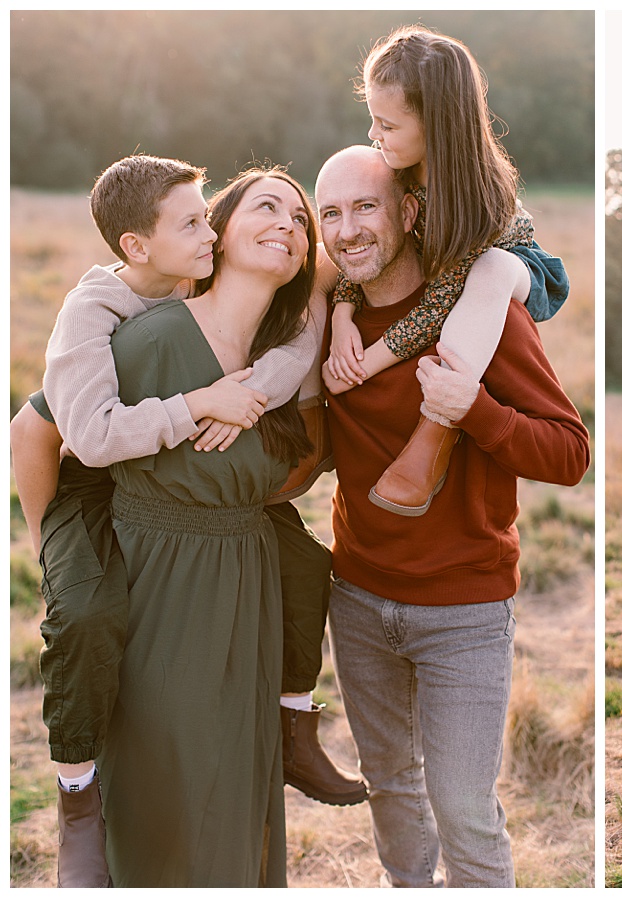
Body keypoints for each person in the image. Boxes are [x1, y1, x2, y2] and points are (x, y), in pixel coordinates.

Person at [9, 155, 363, 888]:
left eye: (299, 218)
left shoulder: (288, 347)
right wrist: (53, 545)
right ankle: (79, 802)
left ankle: (297, 725)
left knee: (238, 786)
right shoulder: (127, 326)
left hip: (246, 582)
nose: (290, 225)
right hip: (141, 562)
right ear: (219, 237)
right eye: (264, 208)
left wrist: (338, 319)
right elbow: (39, 429)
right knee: (157, 778)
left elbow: (335, 270)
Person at [315, 145, 590, 887]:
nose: (348, 229)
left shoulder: (486, 315)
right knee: (391, 791)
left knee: (464, 809)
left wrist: (478, 413)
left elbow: (570, 453)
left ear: (409, 211)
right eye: (331, 213)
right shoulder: (323, 322)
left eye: (366, 206)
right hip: (359, 599)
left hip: (464, 610)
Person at [323, 24, 568, 516]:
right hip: (446, 279)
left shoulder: (478, 198)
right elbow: (363, 233)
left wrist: (363, 366)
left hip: (516, 270)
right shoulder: (396, 166)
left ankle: (434, 430)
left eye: (387, 125)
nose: (374, 135)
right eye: (372, 119)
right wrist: (343, 312)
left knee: (493, 270)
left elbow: (440, 304)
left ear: (434, 125)